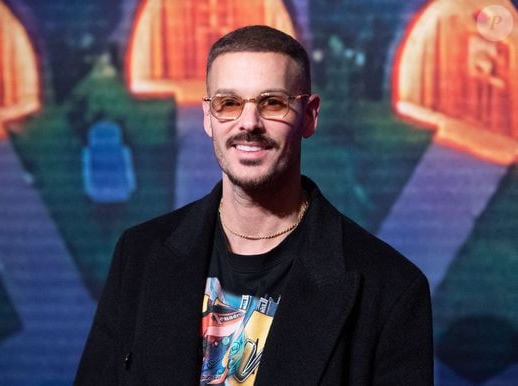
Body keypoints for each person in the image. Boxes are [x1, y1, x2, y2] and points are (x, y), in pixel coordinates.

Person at [75, 25, 433, 385]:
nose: (249, 123)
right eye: (228, 103)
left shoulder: (390, 288)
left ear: (309, 116)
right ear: (207, 117)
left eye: (272, 103)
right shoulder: (139, 255)